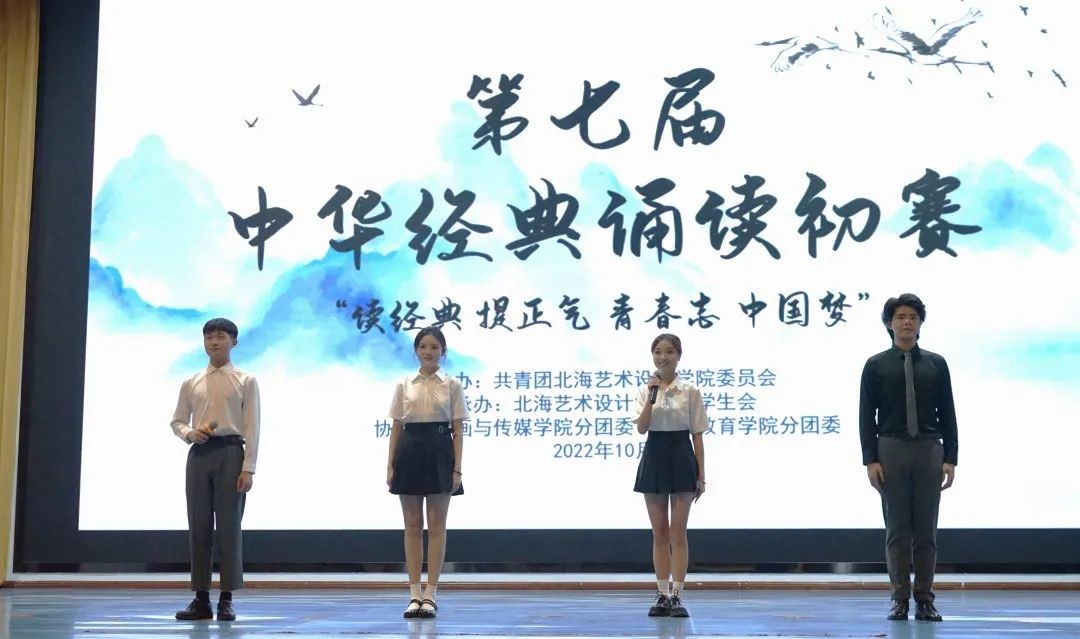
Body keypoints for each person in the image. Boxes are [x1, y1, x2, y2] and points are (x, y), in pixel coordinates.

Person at [859, 294, 958, 623]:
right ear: (889, 323)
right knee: (897, 531)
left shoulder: (936, 364)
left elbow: (948, 411)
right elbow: (866, 415)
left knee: (926, 532)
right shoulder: (875, 365)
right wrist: (870, 459)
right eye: (900, 317)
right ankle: (899, 598)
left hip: (929, 448)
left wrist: (951, 456)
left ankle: (925, 600)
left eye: (913, 317)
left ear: (920, 323)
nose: (907, 322)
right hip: (891, 448)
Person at [170, 318, 260, 622]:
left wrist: (249, 467)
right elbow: (177, 421)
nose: (214, 342)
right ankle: (201, 599)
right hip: (199, 454)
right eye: (209, 337)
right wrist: (189, 433)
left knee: (229, 528)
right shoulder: (192, 381)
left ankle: (226, 599)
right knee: (198, 526)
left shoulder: (246, 380)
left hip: (231, 452)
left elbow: (253, 426)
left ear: (234, 342)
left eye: (221, 337)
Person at [386, 326, 467, 619]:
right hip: (409, 450)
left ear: (443, 351)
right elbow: (396, 427)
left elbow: (458, 430)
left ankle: (431, 594)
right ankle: (413, 594)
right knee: (411, 524)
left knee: (436, 525)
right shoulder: (404, 384)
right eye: (423, 346)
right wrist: (390, 464)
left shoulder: (452, 384)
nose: (428, 351)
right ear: (416, 351)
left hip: (440, 451)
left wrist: (457, 468)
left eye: (434, 347)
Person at [633, 333, 707, 618]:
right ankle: (662, 593)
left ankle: (677, 594)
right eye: (658, 352)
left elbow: (697, 435)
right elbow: (641, 428)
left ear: (679, 356)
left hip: (681, 455)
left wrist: (701, 475)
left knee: (678, 532)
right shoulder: (646, 390)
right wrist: (651, 398)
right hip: (654, 455)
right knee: (659, 532)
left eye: (669, 352)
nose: (663, 357)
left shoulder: (689, 390)